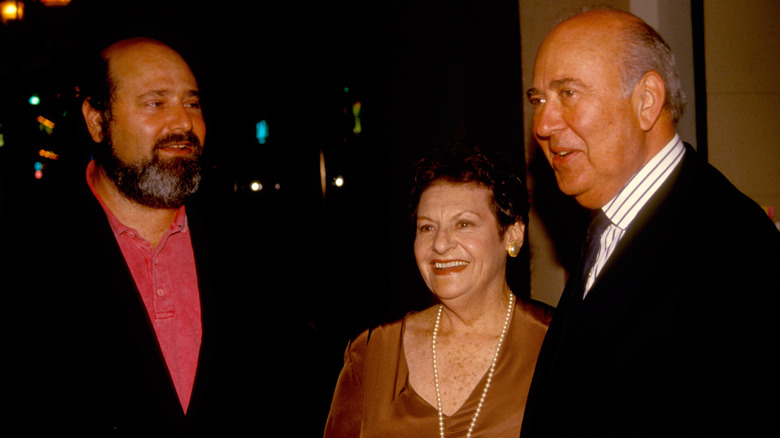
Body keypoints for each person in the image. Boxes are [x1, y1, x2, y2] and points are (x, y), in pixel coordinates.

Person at [10, 36, 305, 433]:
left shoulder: (250, 244)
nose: (184, 122)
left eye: (193, 103)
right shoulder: (27, 250)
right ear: (97, 120)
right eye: (156, 102)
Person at [521, 8, 780, 437]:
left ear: (646, 102)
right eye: (538, 100)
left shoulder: (731, 247)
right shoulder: (614, 225)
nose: (544, 124)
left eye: (568, 93)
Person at [323, 144, 551, 437]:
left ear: (512, 234)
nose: (441, 245)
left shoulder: (558, 345)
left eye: (464, 224)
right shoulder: (372, 353)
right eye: (427, 228)